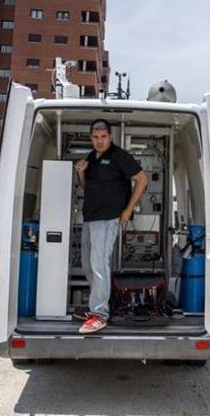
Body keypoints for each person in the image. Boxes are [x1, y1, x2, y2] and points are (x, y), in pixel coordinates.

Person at [75, 119, 148, 334]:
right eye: (95, 137)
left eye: (103, 137)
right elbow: (86, 186)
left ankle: (99, 314)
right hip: (90, 218)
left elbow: (142, 180)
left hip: (108, 219)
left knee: (99, 265)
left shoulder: (118, 156)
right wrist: (80, 172)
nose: (99, 141)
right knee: (88, 265)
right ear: (91, 138)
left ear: (110, 137)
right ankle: (95, 308)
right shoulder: (91, 157)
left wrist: (127, 210)